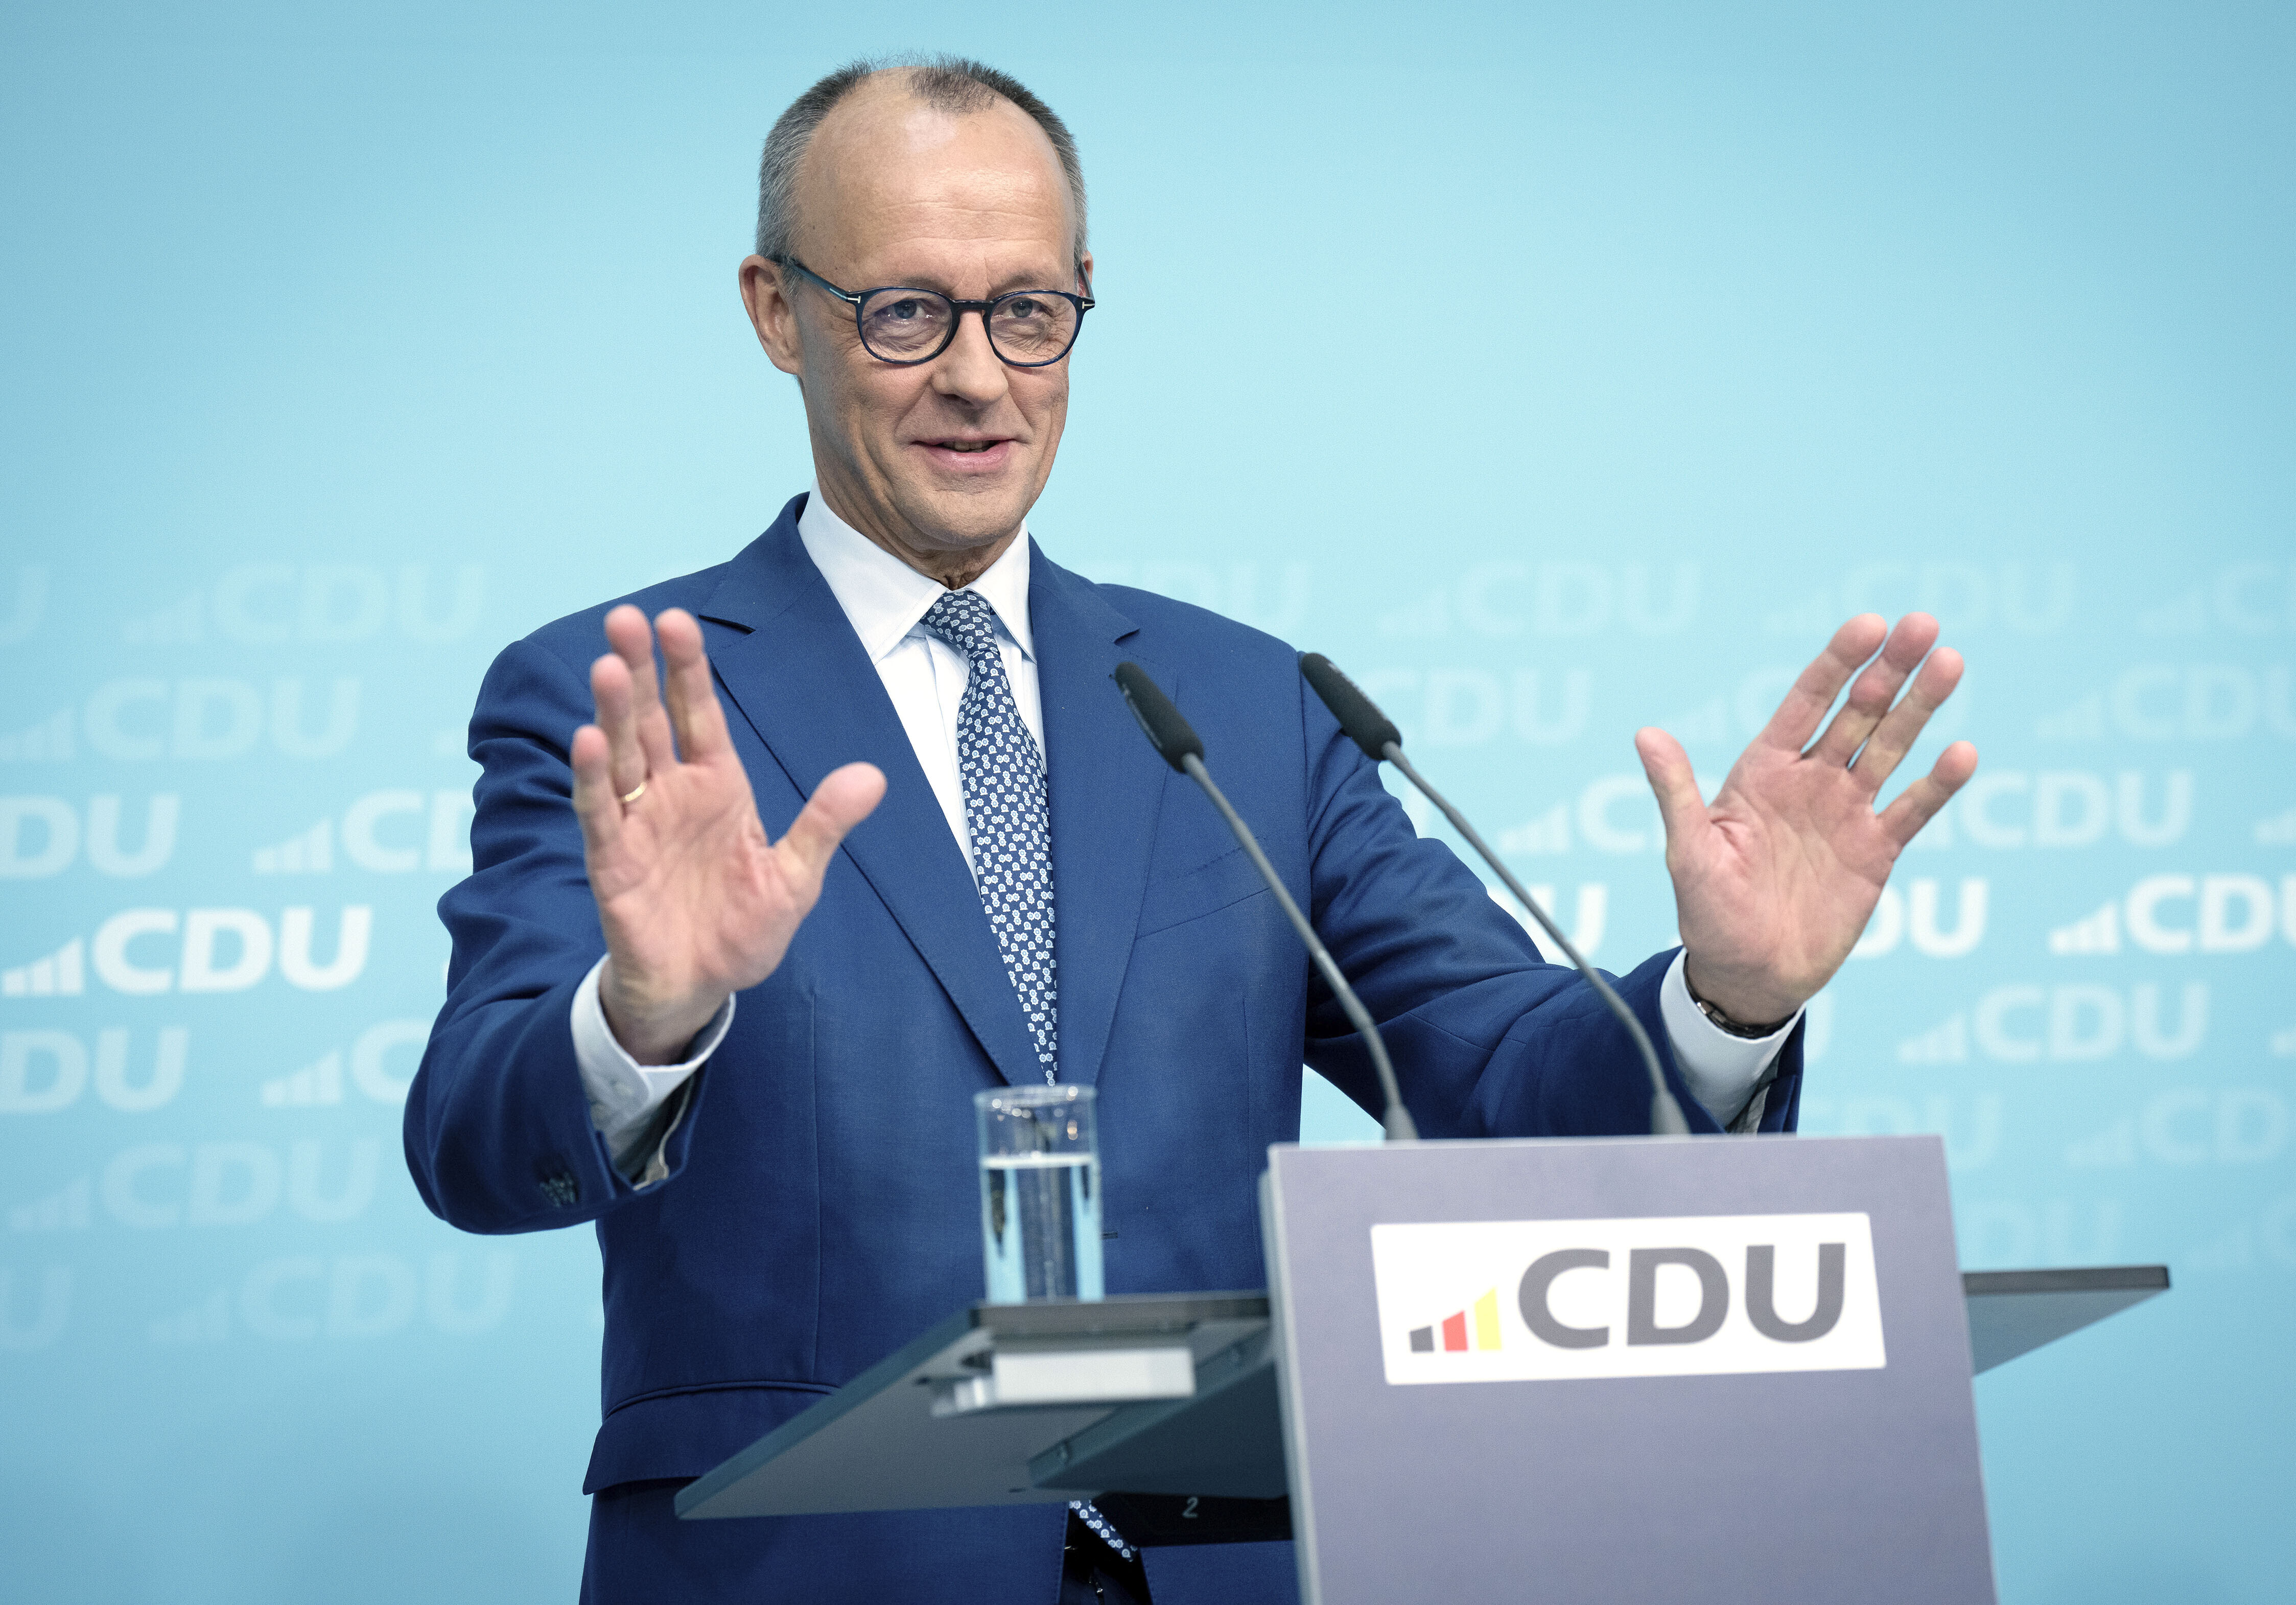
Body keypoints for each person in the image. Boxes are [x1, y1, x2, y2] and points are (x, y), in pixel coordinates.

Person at [403, 55, 1976, 1605]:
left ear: (1081, 301)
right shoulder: (625, 696)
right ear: (775, 311)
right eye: (904, 312)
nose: (977, 376)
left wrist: (1727, 1001)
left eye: (1027, 310)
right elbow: (477, 1145)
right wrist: (646, 1013)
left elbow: (1500, 1083)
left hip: (1225, 1567)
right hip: (810, 1567)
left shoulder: (1239, 705)